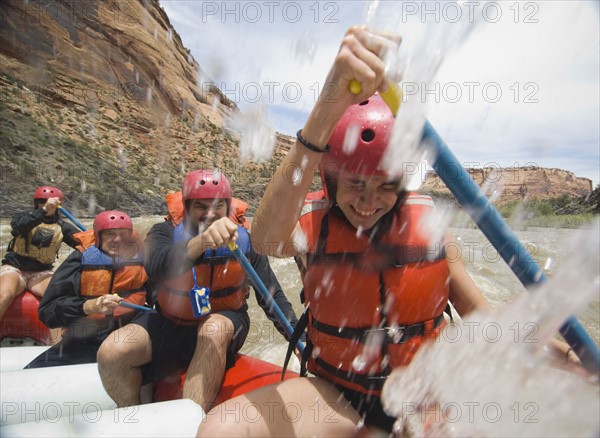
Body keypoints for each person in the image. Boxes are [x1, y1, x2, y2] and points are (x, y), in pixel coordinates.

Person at [197, 27, 492, 437]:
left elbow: (481, 316)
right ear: (331, 180)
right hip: (335, 392)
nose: (369, 202)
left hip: (422, 392)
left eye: (385, 185)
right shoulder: (311, 226)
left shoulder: (432, 229)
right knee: (221, 429)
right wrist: (327, 106)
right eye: (355, 183)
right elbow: (264, 240)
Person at [97, 169, 299, 412]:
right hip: (170, 322)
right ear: (187, 206)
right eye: (201, 207)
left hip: (225, 323)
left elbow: (271, 296)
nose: (210, 214)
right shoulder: (164, 233)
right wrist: (201, 242)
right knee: (112, 351)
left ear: (228, 206)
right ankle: (133, 417)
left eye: (217, 206)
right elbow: (156, 266)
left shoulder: (247, 241)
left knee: (213, 328)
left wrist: (298, 340)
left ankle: (188, 425)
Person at [25, 210, 149, 368]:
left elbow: (157, 296)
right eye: (110, 234)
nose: (118, 240)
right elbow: (49, 311)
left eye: (123, 234)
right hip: (87, 336)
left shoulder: (142, 259)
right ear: (98, 237)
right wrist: (89, 306)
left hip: (129, 331)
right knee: (33, 372)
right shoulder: (79, 260)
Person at [0, 186, 80, 321]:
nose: (45, 204)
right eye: (41, 202)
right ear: (36, 203)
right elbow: (20, 226)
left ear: (58, 205)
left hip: (42, 272)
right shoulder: (23, 218)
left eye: (47, 202)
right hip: (15, 268)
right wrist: (43, 211)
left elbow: (83, 244)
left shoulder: (63, 227)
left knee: (59, 301)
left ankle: (58, 341)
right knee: (5, 296)